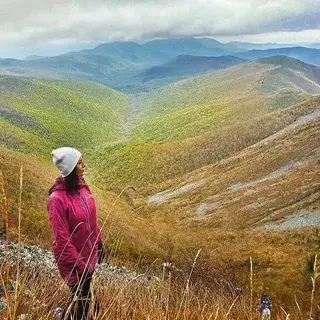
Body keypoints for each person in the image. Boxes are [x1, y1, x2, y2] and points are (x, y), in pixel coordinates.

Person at [47, 147, 104, 320]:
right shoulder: (56, 200)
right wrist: (81, 268)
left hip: (88, 257)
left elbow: (91, 222)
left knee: (86, 302)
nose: (83, 166)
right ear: (71, 168)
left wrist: (99, 244)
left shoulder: (84, 189)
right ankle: (63, 316)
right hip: (73, 263)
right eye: (79, 163)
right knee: (85, 305)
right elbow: (62, 240)